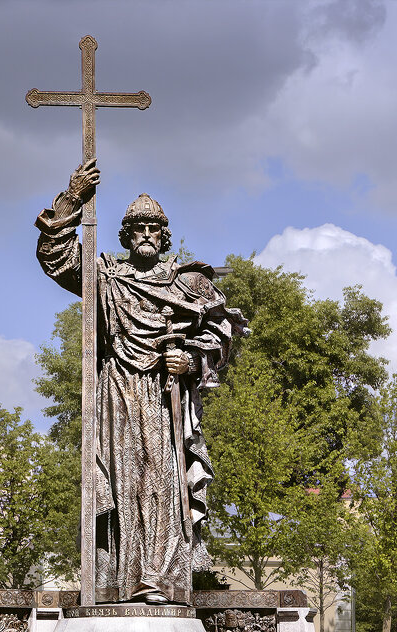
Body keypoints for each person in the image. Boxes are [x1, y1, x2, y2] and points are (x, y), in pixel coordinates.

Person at [36, 159, 245, 604]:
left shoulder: (187, 283)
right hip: (115, 392)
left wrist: (189, 359)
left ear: (164, 235)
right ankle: (116, 579)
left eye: (154, 228)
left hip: (162, 394)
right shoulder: (106, 276)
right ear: (126, 235)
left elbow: (225, 330)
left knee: (161, 481)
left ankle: (160, 579)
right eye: (138, 228)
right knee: (118, 483)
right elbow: (55, 257)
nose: (146, 234)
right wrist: (72, 198)